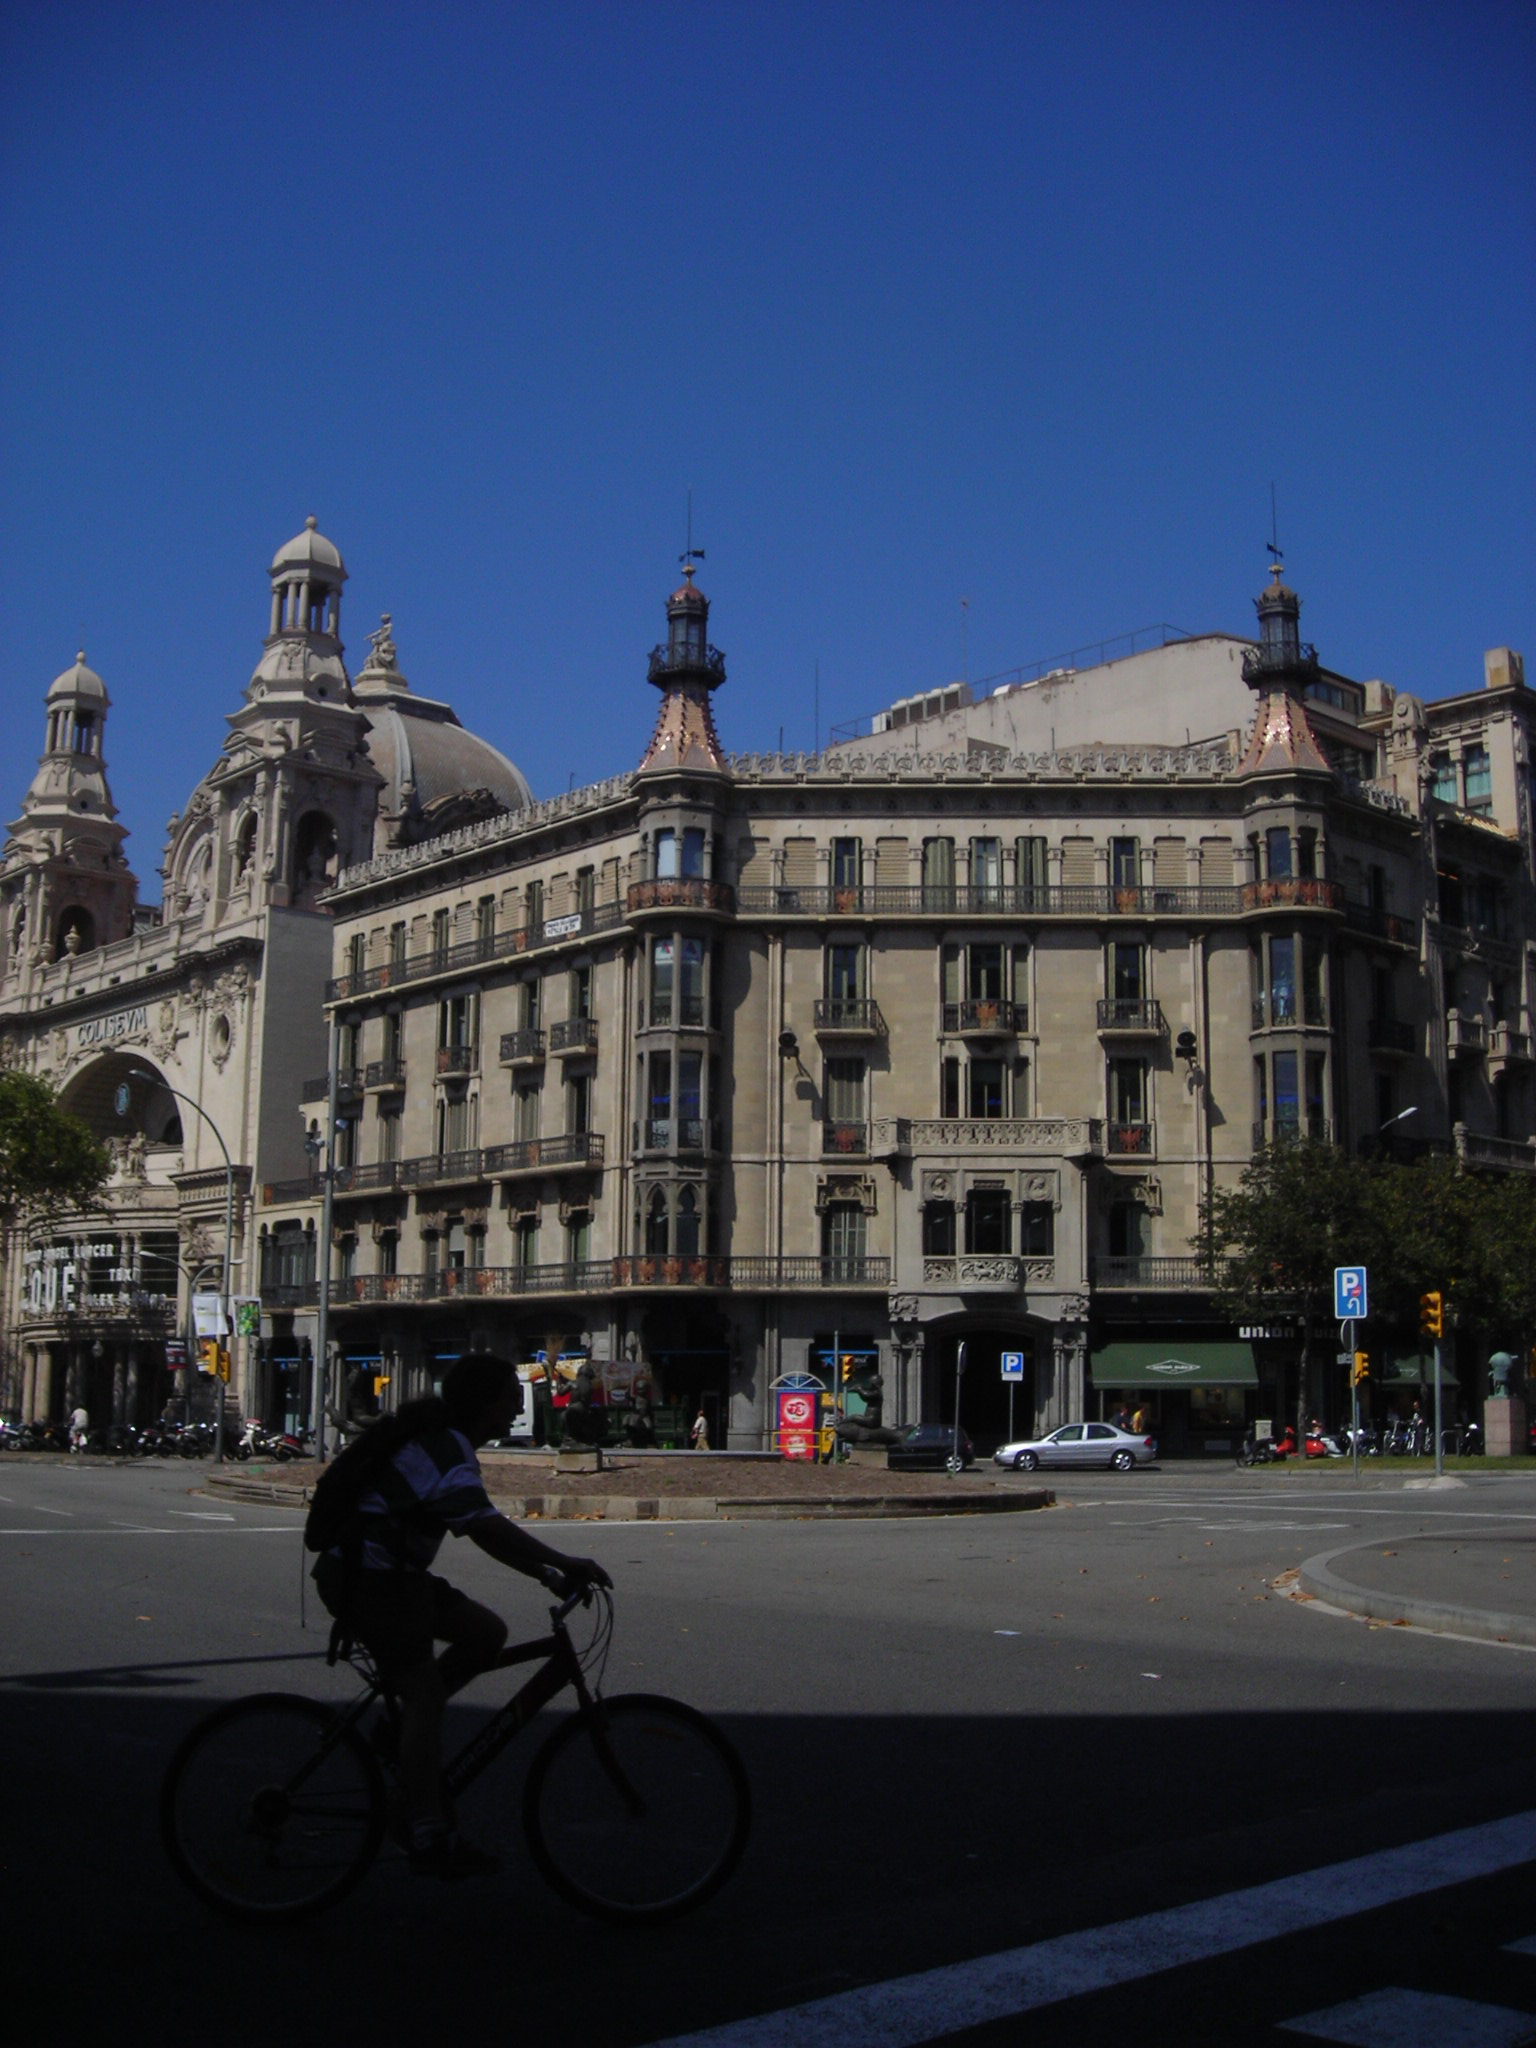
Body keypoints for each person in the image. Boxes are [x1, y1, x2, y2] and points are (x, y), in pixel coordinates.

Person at [311, 1353, 611, 1880]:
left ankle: (403, 1734)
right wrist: (562, 1562)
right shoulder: (448, 1446)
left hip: (392, 1576)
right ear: (485, 1404)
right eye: (510, 1400)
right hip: (369, 1579)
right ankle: (426, 1830)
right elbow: (484, 1527)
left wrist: (547, 1576)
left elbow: (478, 1524)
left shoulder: (447, 1442)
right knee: (425, 1689)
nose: (517, 1409)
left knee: (486, 1633)